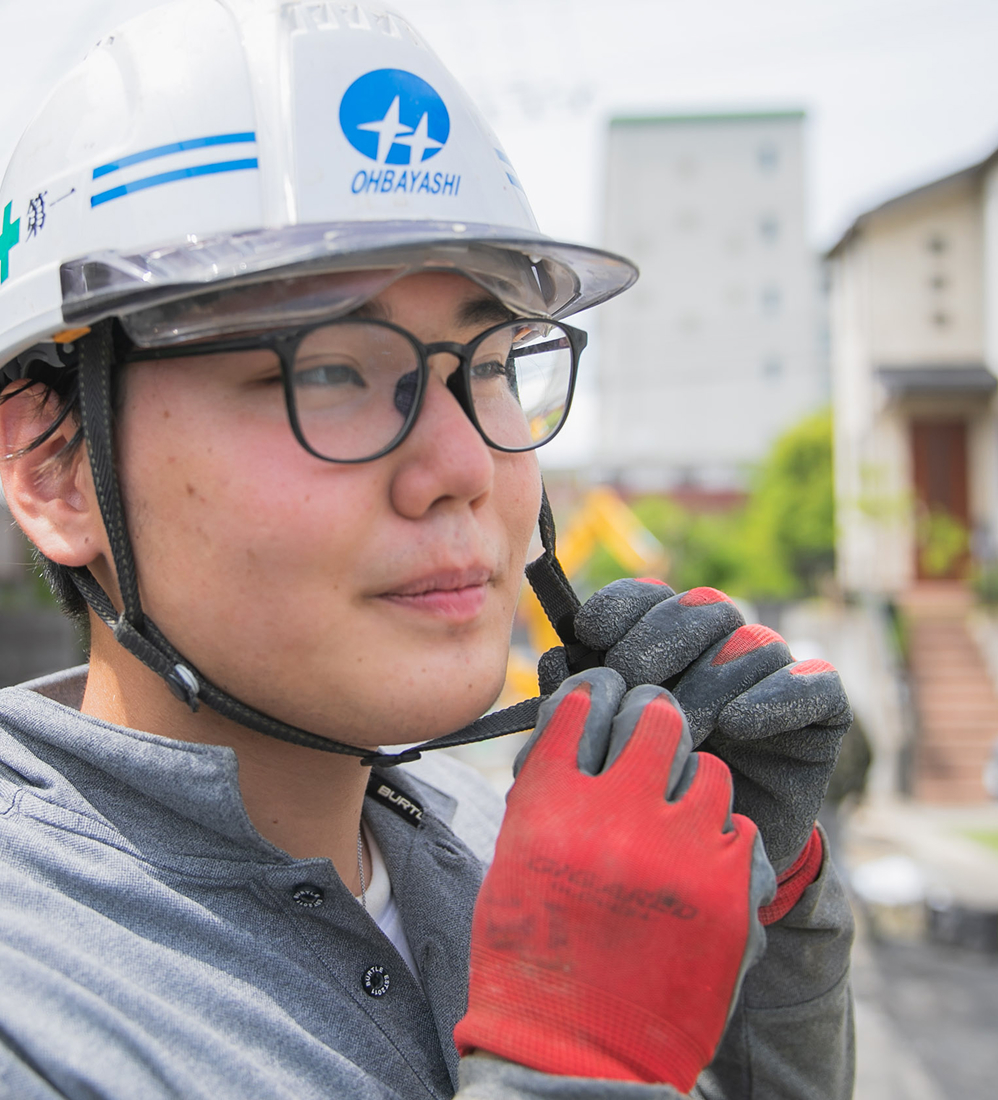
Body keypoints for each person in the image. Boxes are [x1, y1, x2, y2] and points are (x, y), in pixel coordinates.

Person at [0, 2, 855, 1097]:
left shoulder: (512, 842)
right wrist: (576, 1061)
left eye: (491, 362)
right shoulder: (37, 1009)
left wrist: (760, 927)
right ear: (56, 471)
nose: (463, 462)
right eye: (329, 371)